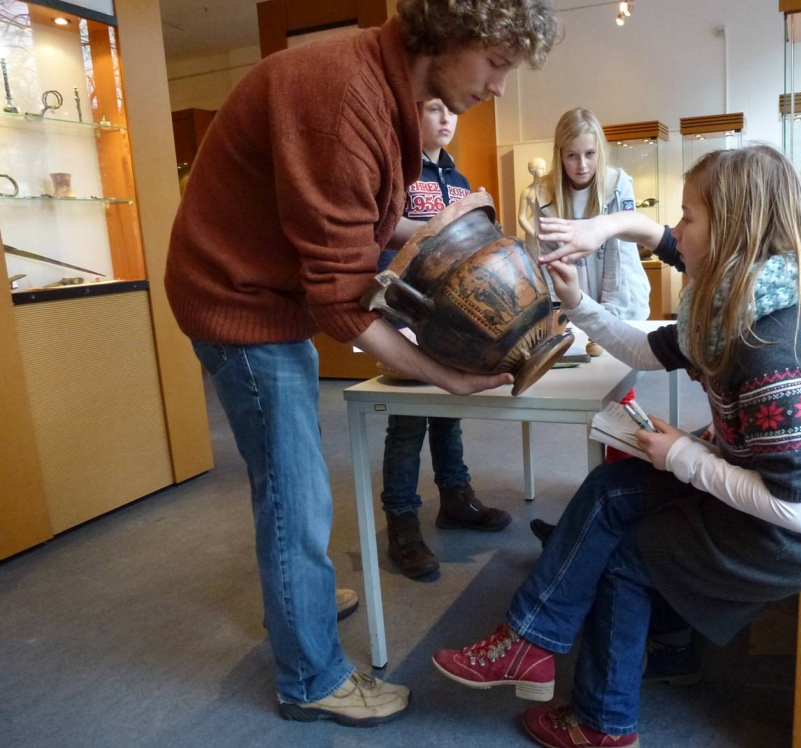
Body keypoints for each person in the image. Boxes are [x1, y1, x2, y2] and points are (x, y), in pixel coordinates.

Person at [164, 0, 560, 728]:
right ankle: (309, 679)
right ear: (454, 34)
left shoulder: (386, 91)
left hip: (271, 290)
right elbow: (343, 303)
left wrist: (448, 226)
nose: (500, 86)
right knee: (295, 494)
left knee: (293, 475)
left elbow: (367, 223)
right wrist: (447, 376)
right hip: (239, 301)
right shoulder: (342, 94)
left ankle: (300, 598)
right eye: (499, 63)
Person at [432, 145, 801, 747]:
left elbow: (798, 509)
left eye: (688, 218)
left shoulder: (768, 345)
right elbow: (645, 350)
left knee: (629, 554)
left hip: (781, 538)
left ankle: (603, 723)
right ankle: (530, 642)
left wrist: (685, 456)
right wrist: (577, 304)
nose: (675, 233)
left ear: (729, 228)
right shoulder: (732, 309)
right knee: (606, 489)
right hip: (756, 501)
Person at [378, 99, 511, 580]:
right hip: (407, 314)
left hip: (450, 320)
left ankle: (454, 496)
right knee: (408, 424)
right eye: (434, 109)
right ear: (411, 116)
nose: (447, 118)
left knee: (449, 412)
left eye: (452, 111)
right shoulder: (396, 171)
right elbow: (382, 236)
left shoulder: (455, 180)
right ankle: (402, 523)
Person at [540, 107, 650, 319]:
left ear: (599, 150)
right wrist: (560, 311)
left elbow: (619, 257)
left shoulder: (618, 185)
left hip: (622, 307)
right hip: (574, 307)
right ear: (560, 154)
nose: (582, 165)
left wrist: (609, 317)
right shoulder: (544, 194)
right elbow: (549, 259)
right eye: (572, 155)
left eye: (589, 154)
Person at [518, 157, 549, 257]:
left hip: (549, 227)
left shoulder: (551, 189)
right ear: (532, 172)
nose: (544, 171)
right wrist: (533, 234)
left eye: (545, 168)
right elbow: (521, 217)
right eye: (540, 168)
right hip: (533, 228)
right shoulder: (527, 192)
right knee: (534, 259)